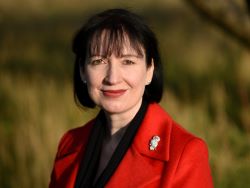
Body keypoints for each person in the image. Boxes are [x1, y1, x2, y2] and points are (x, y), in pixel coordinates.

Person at [49, 8, 213, 188]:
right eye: (98, 61)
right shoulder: (70, 144)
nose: (112, 78)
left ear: (150, 69)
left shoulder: (184, 153)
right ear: (82, 71)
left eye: (128, 61)